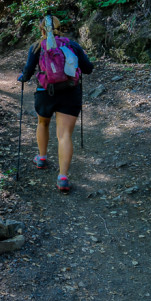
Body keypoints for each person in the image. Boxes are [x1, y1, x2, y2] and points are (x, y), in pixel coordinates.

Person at [17, 16, 94, 193]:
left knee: (43, 123)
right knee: (64, 135)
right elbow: (88, 68)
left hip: (46, 93)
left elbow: (27, 72)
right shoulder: (71, 45)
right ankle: (63, 178)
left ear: (42, 30)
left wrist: (23, 78)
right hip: (70, 93)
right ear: (61, 28)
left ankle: (42, 158)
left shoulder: (37, 47)